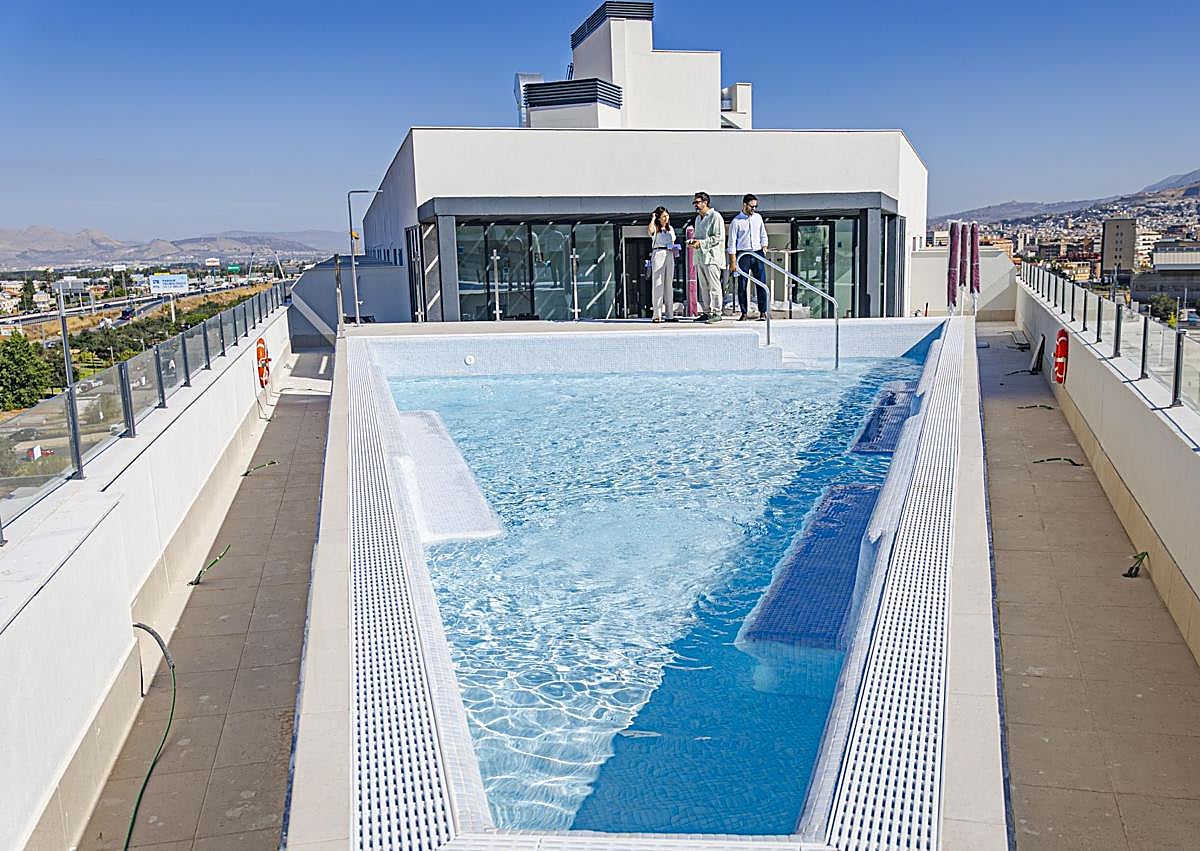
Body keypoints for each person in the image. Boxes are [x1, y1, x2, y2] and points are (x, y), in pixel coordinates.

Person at [727, 193, 769, 321]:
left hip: (757, 253)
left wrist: (764, 246)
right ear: (744, 205)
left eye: (755, 206)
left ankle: (763, 311)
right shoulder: (736, 221)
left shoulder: (758, 218)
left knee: (761, 282)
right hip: (743, 255)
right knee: (742, 285)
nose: (753, 209)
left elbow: (763, 234)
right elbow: (732, 243)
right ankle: (744, 312)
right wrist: (733, 262)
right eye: (751, 206)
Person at [687, 192, 726, 324]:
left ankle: (716, 312)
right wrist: (694, 242)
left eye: (697, 202)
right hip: (700, 257)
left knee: (714, 286)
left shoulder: (715, 216)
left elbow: (718, 237)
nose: (696, 205)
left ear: (705, 202)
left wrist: (701, 243)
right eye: (695, 203)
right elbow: (699, 237)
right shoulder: (698, 219)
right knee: (704, 286)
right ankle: (707, 311)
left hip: (712, 257)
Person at [647, 206, 677, 323]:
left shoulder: (670, 229)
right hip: (658, 252)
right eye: (664, 216)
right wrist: (653, 218)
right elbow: (650, 231)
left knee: (668, 284)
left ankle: (670, 314)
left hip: (669, 253)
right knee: (658, 283)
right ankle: (657, 314)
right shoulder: (655, 227)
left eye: (667, 216)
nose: (666, 218)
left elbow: (673, 241)